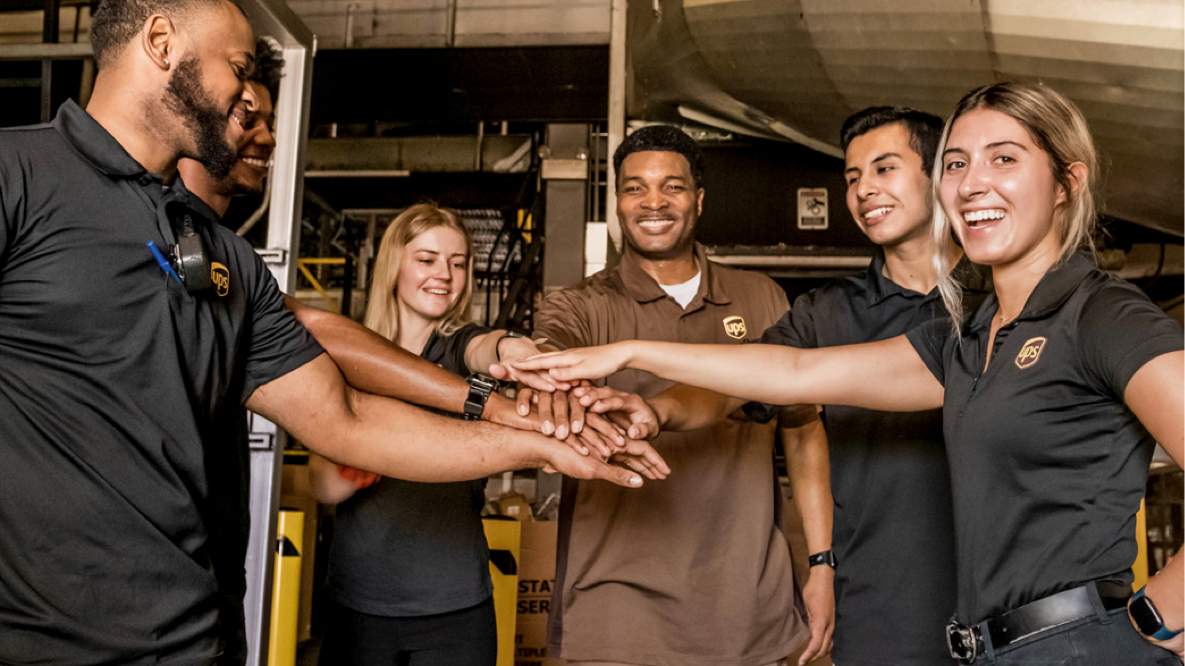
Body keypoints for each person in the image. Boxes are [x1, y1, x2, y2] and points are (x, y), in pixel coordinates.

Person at [0, 0, 663, 662]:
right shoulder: (18, 178)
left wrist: (541, 446)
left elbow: (346, 417)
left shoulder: (221, 255)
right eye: (238, 66)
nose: (247, 101)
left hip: (191, 643)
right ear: (161, 40)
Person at [515, 81, 1184, 665]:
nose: (973, 181)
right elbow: (795, 374)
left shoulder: (1101, 315)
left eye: (1003, 159)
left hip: (1072, 644)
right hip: (974, 641)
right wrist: (633, 355)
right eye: (957, 162)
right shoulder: (967, 335)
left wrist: (1149, 627)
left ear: (1068, 181)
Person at [528, 124, 831, 666]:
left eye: (672, 186)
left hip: (747, 613)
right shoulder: (579, 305)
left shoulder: (761, 299)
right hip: (616, 616)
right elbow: (545, 357)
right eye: (634, 187)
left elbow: (804, 435)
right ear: (617, 201)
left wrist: (822, 565)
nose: (653, 202)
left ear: (699, 199)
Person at [746, 107, 990, 666]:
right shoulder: (823, 316)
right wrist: (652, 411)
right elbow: (743, 383)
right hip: (882, 607)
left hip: (1011, 600)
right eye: (853, 178)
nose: (863, 191)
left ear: (940, 174)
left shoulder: (1004, 299)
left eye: (884, 169)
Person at [307, 204, 535, 665]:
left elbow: (485, 347)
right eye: (427, 260)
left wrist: (515, 346)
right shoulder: (348, 355)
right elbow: (323, 484)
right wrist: (361, 460)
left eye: (458, 262)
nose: (445, 275)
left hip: (455, 609)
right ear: (395, 264)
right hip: (360, 605)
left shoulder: (459, 346)